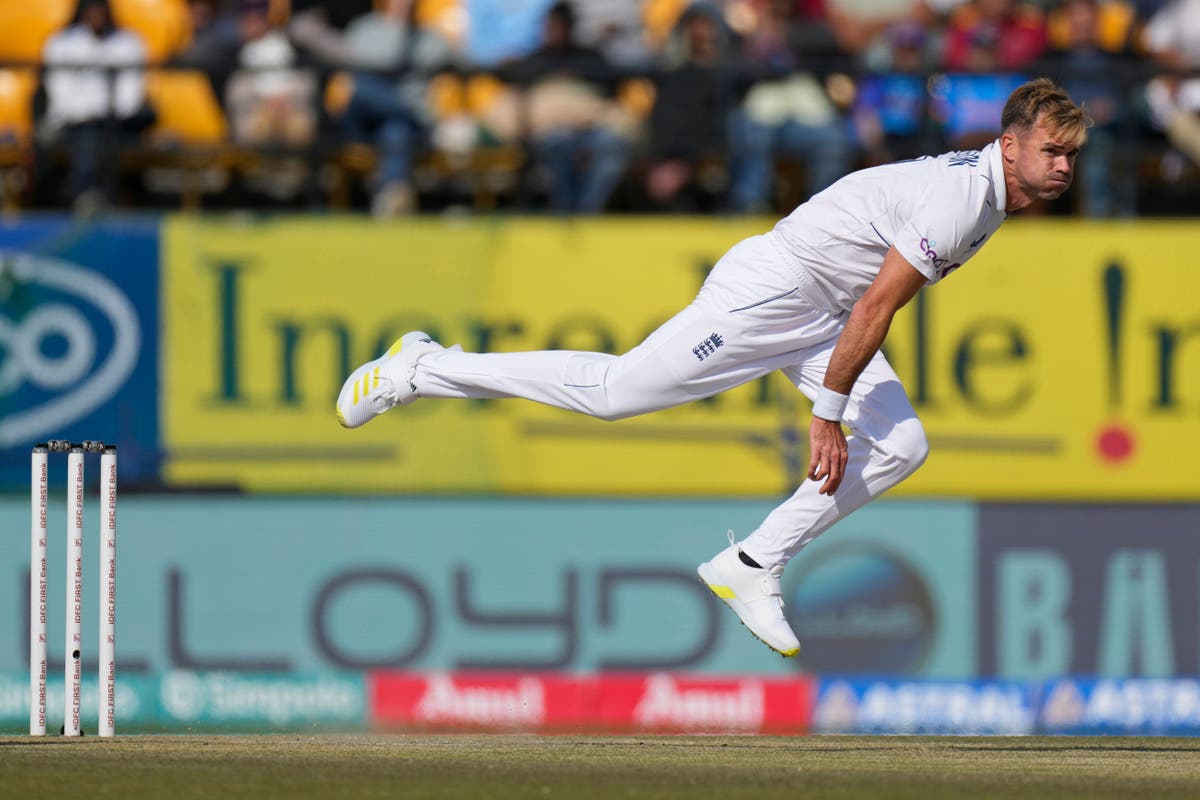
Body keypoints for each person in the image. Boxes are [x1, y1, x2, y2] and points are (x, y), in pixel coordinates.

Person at [335, 78, 1088, 658]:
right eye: (1052, 152)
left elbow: (862, 309)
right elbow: (875, 313)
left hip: (822, 310)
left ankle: (753, 562)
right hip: (777, 291)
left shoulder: (992, 195)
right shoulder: (962, 199)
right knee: (614, 393)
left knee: (903, 444)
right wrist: (825, 417)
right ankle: (425, 368)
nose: (1063, 167)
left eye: (1072, 156)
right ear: (1010, 143)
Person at [40, 0, 155, 212]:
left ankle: (97, 198)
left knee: (101, 134)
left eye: (100, 10)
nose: (96, 15)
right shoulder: (61, 43)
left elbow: (130, 94)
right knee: (88, 135)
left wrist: (103, 113)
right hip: (74, 124)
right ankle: (88, 196)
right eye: (91, 10)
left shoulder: (129, 42)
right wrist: (91, 113)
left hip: (119, 122)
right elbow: (61, 94)